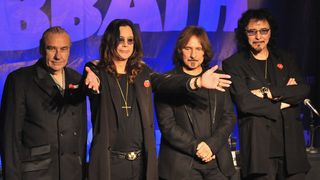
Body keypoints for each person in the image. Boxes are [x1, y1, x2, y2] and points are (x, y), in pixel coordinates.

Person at [86, 19, 232, 180]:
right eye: (120, 40)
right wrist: (91, 72)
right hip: (120, 163)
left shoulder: (142, 72)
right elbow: (167, 124)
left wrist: (197, 82)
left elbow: (165, 81)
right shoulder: (97, 72)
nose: (126, 45)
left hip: (147, 162)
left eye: (130, 40)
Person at [222, 9, 310, 180]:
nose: (258, 37)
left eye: (264, 31)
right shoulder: (233, 64)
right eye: (252, 31)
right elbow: (245, 102)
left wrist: (267, 92)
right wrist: (285, 100)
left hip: (292, 150)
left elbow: (303, 89)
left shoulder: (286, 59)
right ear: (244, 33)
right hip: (259, 152)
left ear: (271, 33)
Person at [0, 26, 98, 180]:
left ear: (69, 50)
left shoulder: (77, 79)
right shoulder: (19, 80)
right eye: (52, 48)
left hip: (71, 173)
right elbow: (10, 137)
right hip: (36, 174)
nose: (58, 56)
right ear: (41, 49)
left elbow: (81, 134)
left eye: (63, 49)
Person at [154, 26, 237, 180]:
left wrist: (211, 146)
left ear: (205, 51)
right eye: (188, 48)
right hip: (181, 165)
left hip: (216, 160)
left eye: (198, 49)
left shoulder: (218, 77)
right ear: (180, 50)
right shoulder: (166, 82)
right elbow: (167, 125)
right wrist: (198, 147)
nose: (193, 55)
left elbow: (229, 116)